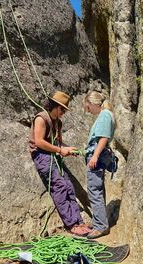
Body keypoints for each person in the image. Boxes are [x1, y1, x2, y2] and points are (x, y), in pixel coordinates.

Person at [29, 91, 90, 236]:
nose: (63, 112)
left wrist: (68, 149)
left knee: (69, 186)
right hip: (41, 155)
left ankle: (79, 222)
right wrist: (60, 150)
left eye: (64, 110)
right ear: (54, 106)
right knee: (60, 187)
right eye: (62, 109)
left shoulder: (58, 122)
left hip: (53, 153)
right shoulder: (41, 119)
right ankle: (72, 224)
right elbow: (39, 141)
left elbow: (58, 142)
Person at [83, 91, 115, 239]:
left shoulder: (104, 115)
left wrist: (94, 156)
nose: (87, 109)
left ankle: (101, 226)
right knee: (97, 189)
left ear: (93, 103)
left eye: (88, 106)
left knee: (94, 190)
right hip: (98, 156)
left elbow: (103, 138)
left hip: (97, 157)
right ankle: (98, 221)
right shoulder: (105, 115)